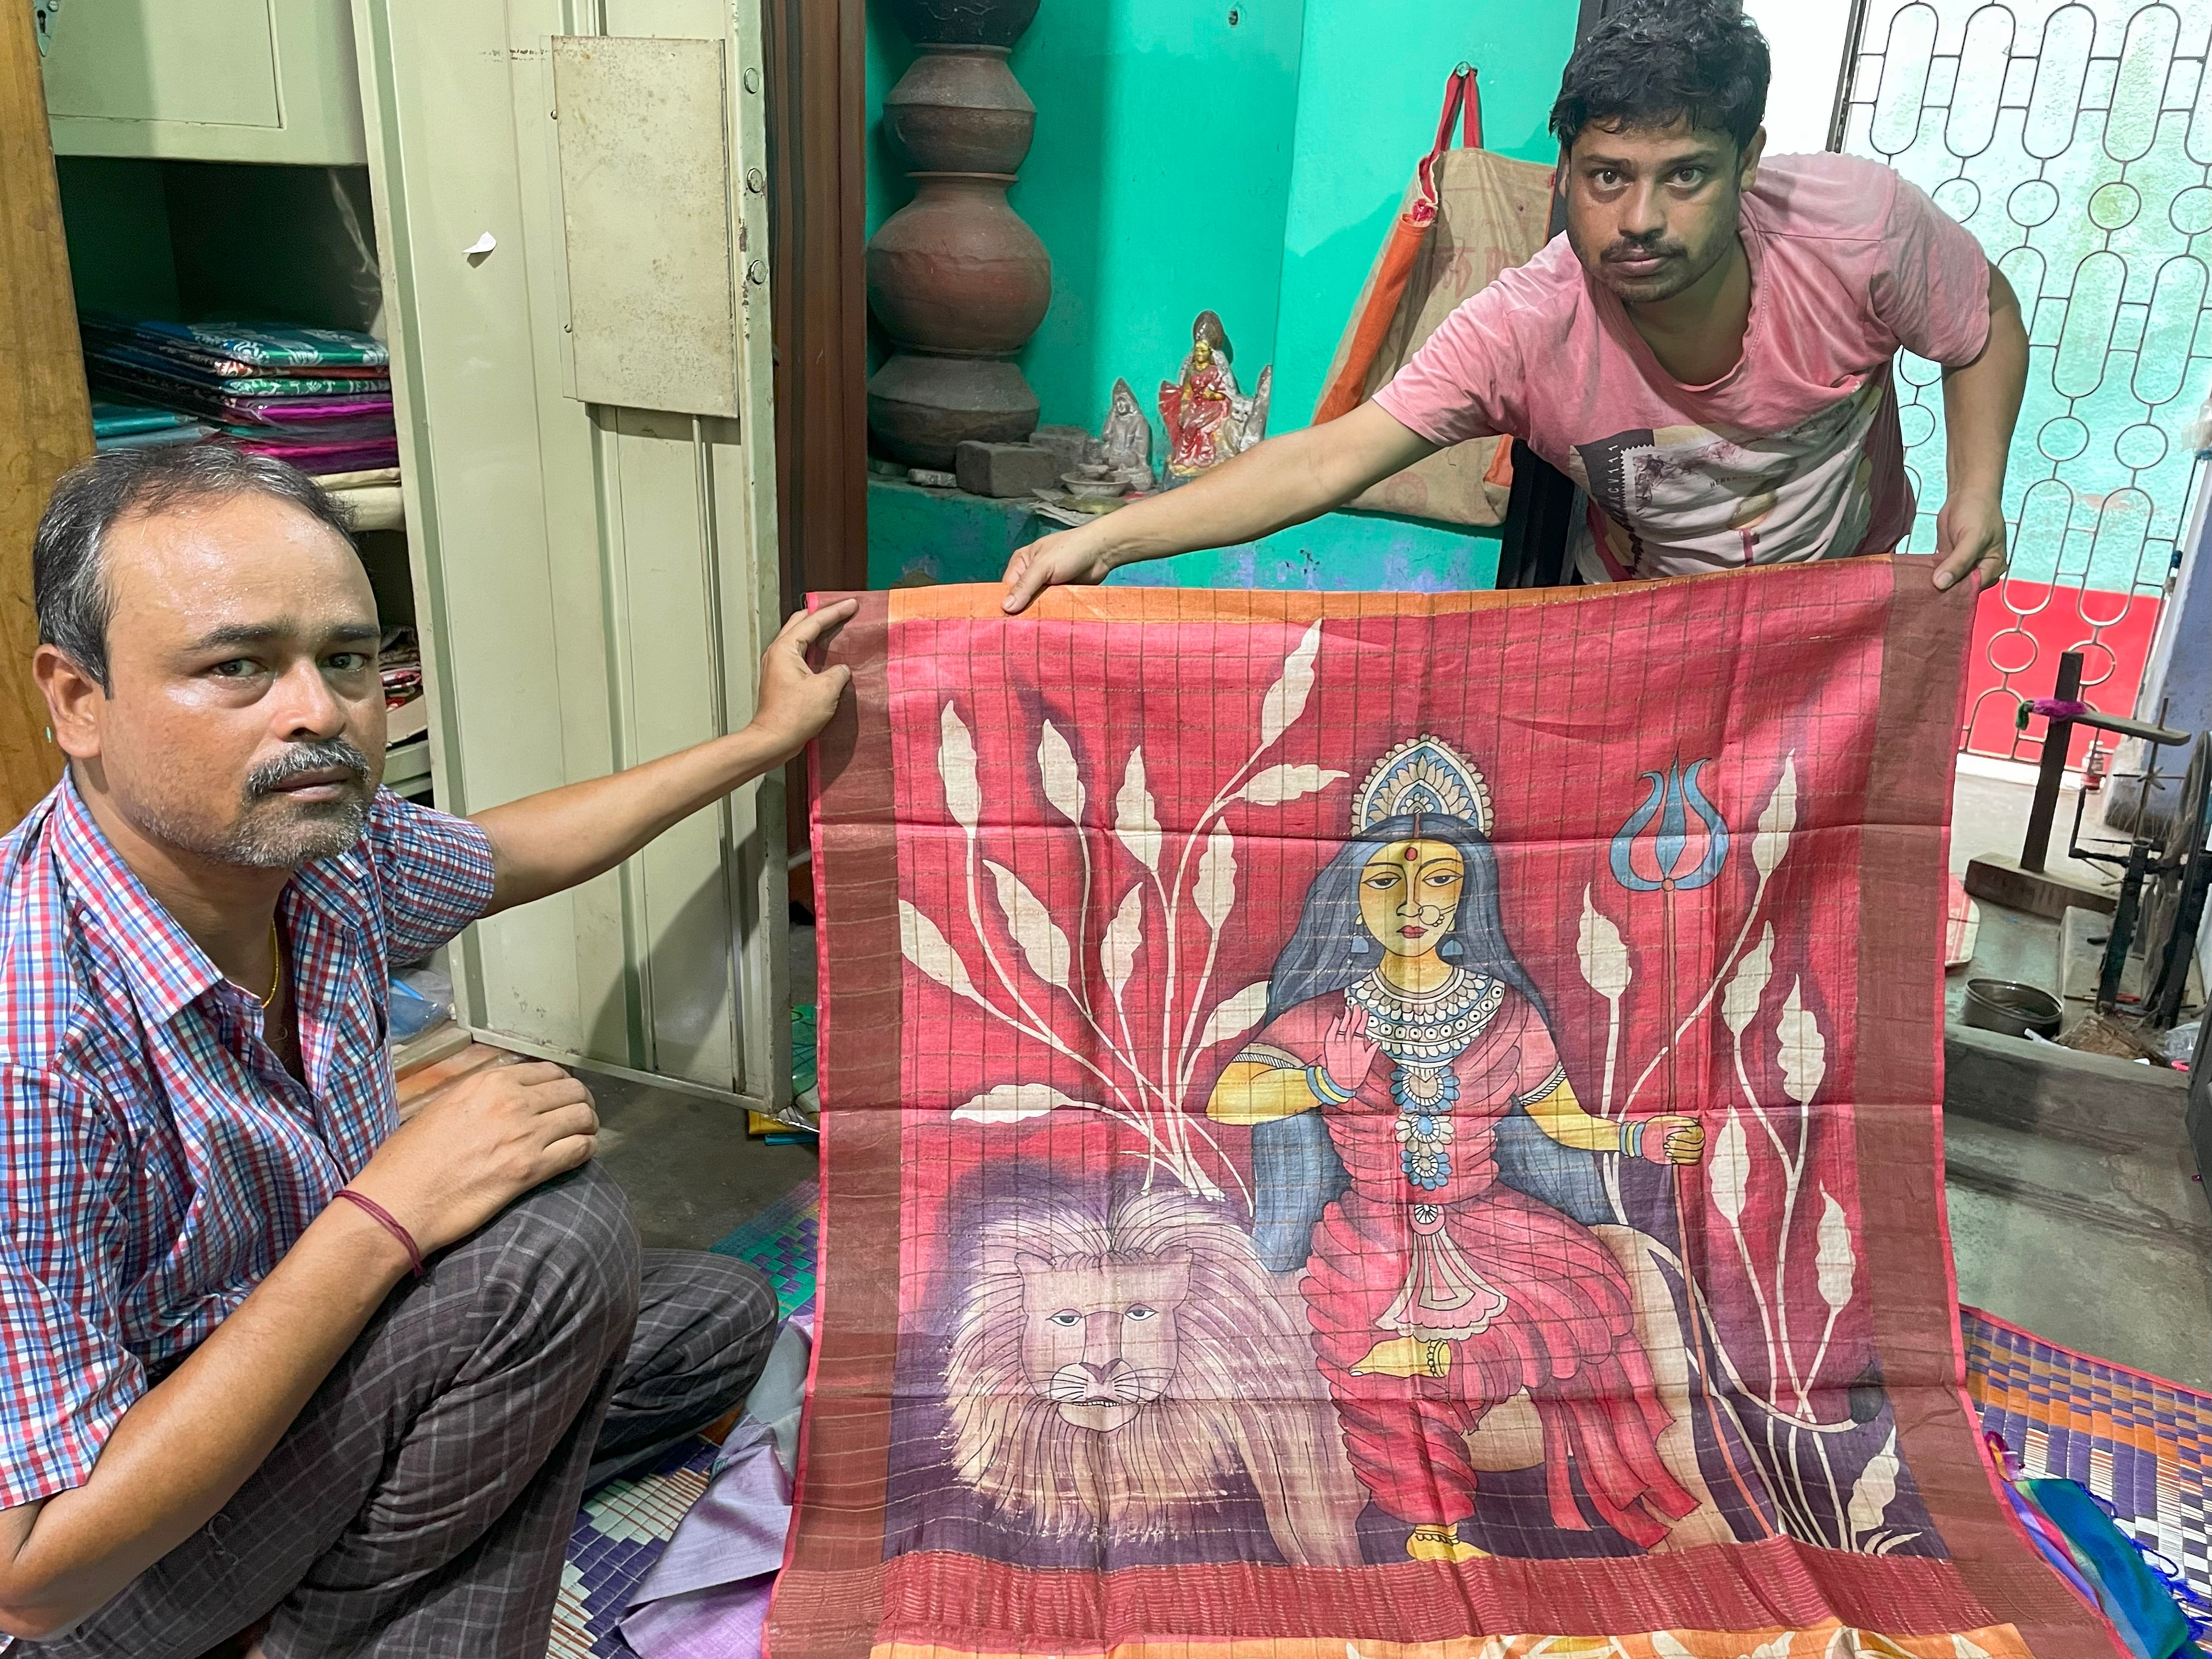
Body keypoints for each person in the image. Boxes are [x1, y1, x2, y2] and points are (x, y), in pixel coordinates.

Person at [0, 445, 857, 1656]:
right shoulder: (31, 1048)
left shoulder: (319, 857)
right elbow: (31, 1577)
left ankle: (290, 1617)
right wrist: (385, 1215)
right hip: (109, 1574)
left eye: (345, 660)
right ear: (77, 699)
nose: (316, 713)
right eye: (235, 666)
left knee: (713, 1317)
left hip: (298, 1401)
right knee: (555, 1249)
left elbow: (513, 853)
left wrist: (763, 743)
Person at [1002, 0, 2028, 612]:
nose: (1641, 219)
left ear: (1748, 165)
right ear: (1564, 173)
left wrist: (1976, 492)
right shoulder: (1525, 328)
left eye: (1685, 177)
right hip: (1643, 618)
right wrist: (1104, 539)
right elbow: (1326, 458)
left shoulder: (1855, 228)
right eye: (1607, 176)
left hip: (1838, 604)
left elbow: (1983, 318)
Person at [1206, 736, 1705, 1563]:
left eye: (1436, 877)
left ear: (1466, 892)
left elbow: (1562, 1122)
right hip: (1371, 1234)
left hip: (1491, 1221)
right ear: (1353, 897)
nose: (1412, 899)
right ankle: (1433, 1529)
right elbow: (1230, 1098)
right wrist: (1325, 1086)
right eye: (1385, 879)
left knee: (1595, 1300)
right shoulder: (1330, 1014)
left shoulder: (1504, 1012)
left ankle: (1440, 1357)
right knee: (1369, 1367)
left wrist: (1640, 1136)